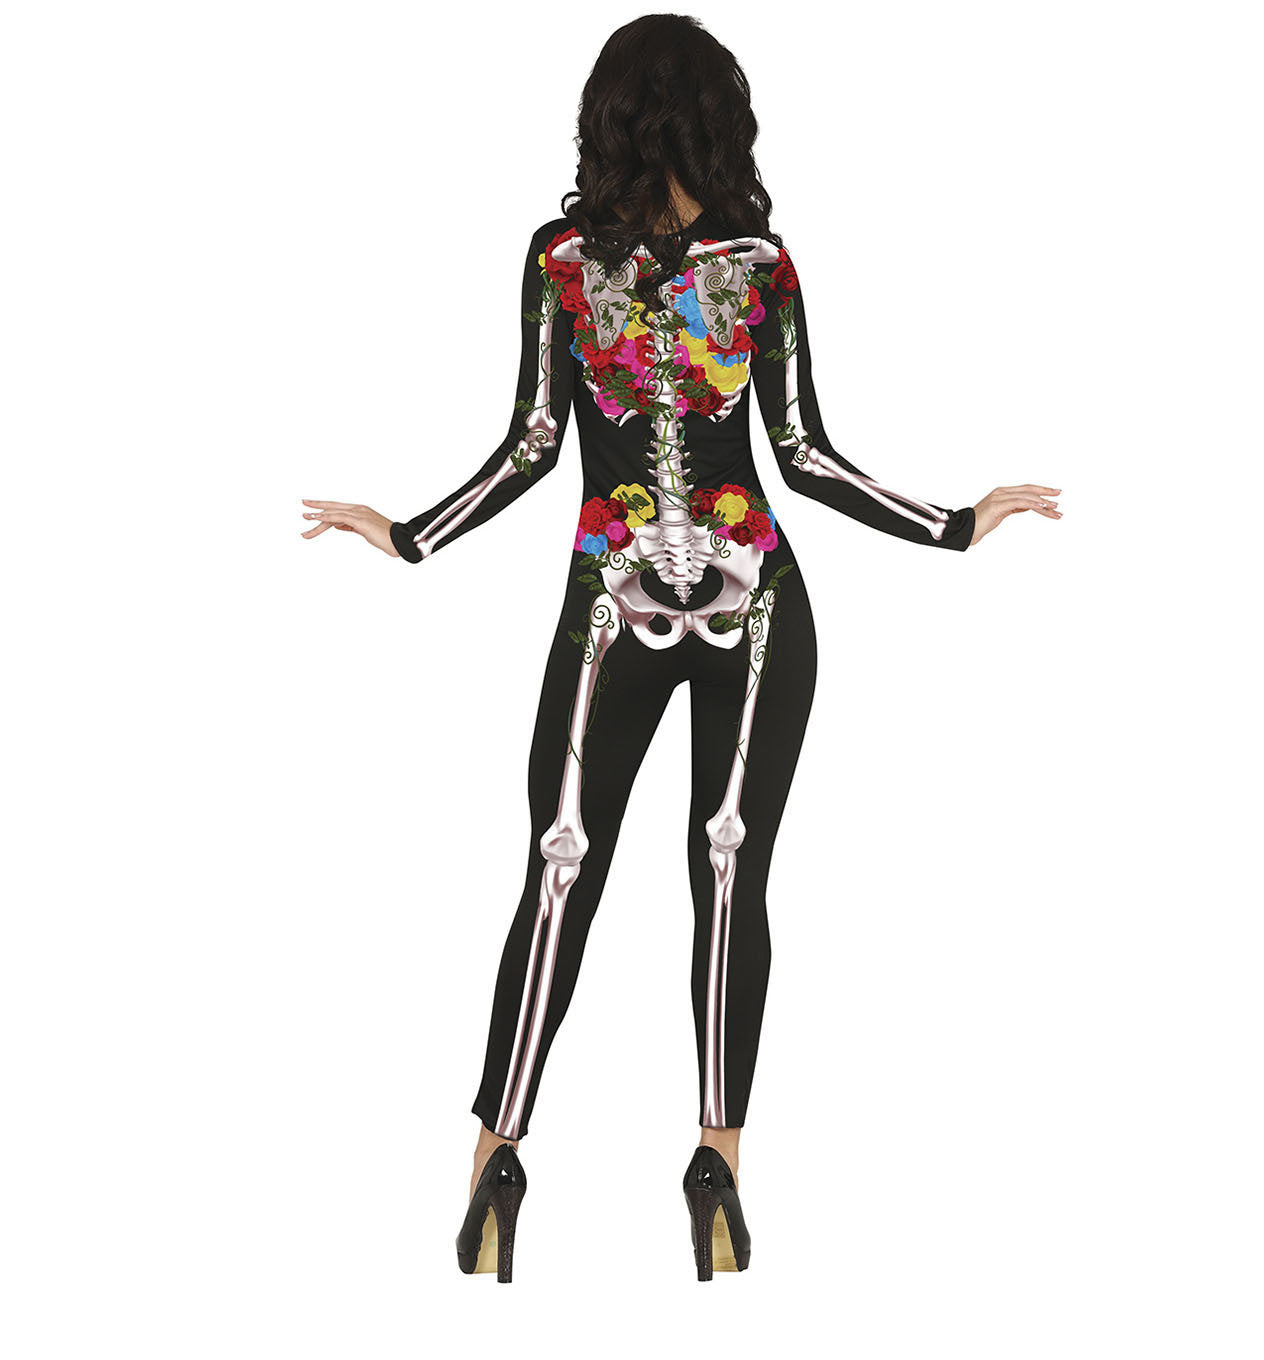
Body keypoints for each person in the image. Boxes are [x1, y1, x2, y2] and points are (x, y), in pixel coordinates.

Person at [300, 14, 1061, 1283]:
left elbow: (534, 445)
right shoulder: (759, 262)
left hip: (613, 595)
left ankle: (494, 1161)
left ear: (607, 119)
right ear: (720, 121)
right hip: (756, 598)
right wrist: (950, 524)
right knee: (727, 869)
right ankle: (717, 1166)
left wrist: (414, 534)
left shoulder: (561, 259)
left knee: (561, 867)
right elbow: (802, 457)